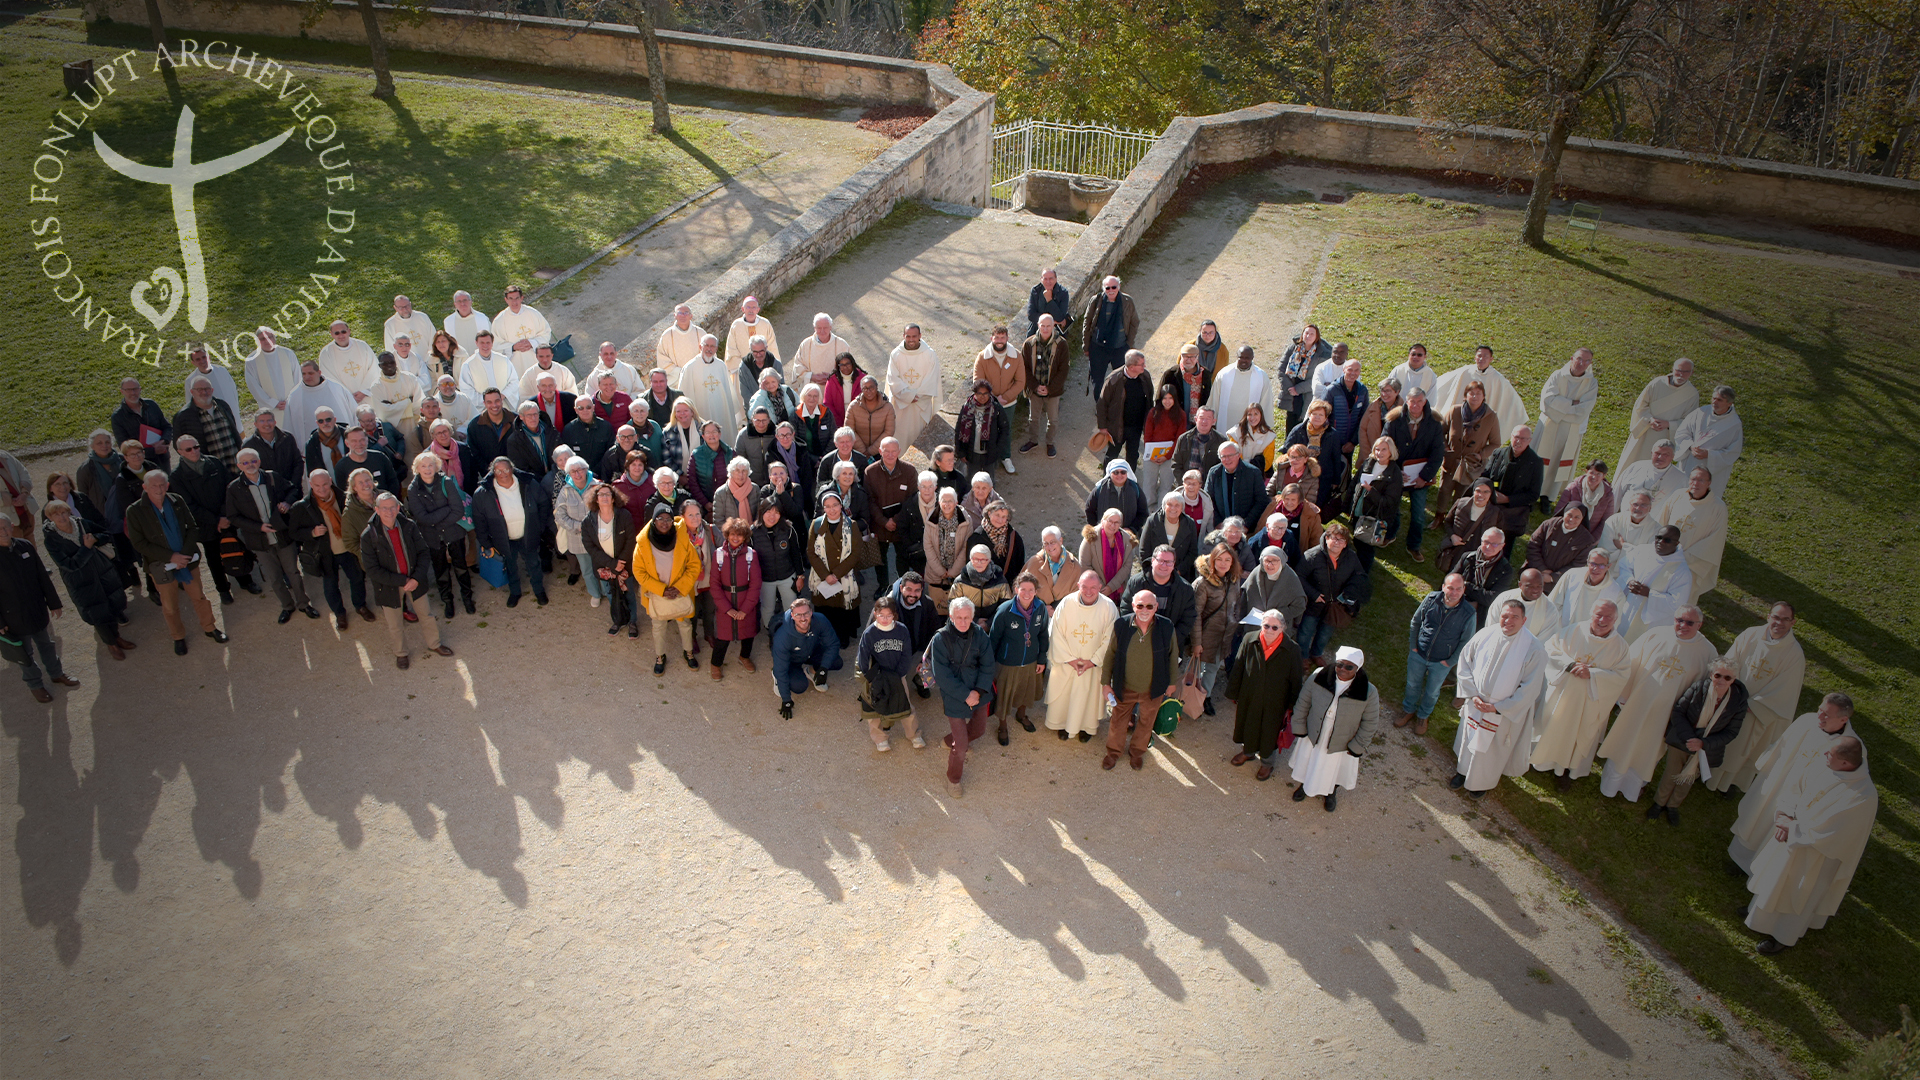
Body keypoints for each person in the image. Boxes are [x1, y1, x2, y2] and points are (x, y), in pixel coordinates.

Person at [1740, 735, 1875, 954]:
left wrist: (1790, 827)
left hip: (1817, 855)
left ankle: (1783, 936)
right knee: (1776, 878)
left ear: (1845, 763)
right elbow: (1799, 787)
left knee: (1799, 893)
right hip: (1792, 836)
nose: (1824, 755)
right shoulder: (1828, 766)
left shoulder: (1863, 797)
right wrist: (1785, 813)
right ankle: (1758, 915)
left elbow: (1834, 833)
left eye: (1830, 754)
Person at [1594, 605, 1720, 801]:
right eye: (1679, 620)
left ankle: (1632, 788)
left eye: (1689, 622)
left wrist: (1686, 719)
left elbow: (1704, 690)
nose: (1682, 625)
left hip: (1667, 714)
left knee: (1648, 751)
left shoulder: (1707, 652)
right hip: (1637, 704)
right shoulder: (1656, 635)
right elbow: (1632, 663)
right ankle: (1610, 785)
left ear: (1700, 625)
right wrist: (1624, 697)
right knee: (1625, 742)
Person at [1729, 693, 1862, 871]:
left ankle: (1761, 870)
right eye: (1820, 710)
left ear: (1843, 719)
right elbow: (1781, 746)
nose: (1819, 717)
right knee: (1758, 819)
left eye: (1826, 715)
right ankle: (1739, 858)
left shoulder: (1848, 747)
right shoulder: (1807, 720)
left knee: (1778, 833)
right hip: (1780, 781)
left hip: (1803, 799)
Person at [123, 470, 228, 655]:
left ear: (168, 486)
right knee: (170, 605)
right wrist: (171, 557)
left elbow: (193, 527)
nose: (159, 489)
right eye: (154, 485)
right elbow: (139, 543)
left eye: (162, 484)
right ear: (145, 487)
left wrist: (183, 556)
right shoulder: (135, 510)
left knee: (199, 597)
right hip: (161, 566)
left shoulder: (176, 501)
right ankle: (178, 636)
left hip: (188, 560)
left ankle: (210, 627)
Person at [1709, 602, 1809, 795]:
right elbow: (1730, 661)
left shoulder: (1794, 654)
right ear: (1768, 616)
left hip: (1754, 710)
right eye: (1776, 617)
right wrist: (1726, 689)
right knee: (1717, 737)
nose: (1779, 623)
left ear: (1793, 622)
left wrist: (1752, 705)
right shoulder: (1750, 635)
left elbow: (1785, 689)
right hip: (1731, 699)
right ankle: (1704, 772)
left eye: (1785, 619)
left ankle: (1728, 783)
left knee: (1740, 748)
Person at [1530, 600, 1630, 790]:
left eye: (1608, 616)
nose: (1602, 620)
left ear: (1616, 619)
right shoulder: (1573, 631)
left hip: (1589, 703)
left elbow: (1621, 676)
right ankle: (1541, 760)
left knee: (1577, 733)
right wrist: (1570, 665)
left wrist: (1592, 674)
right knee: (1554, 725)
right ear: (1591, 614)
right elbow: (1551, 649)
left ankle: (1565, 770)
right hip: (1562, 695)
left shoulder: (1620, 647)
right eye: (1598, 614)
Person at [1642, 660, 1750, 825]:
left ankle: (1673, 806)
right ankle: (1659, 803)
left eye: (1727, 677)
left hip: (1706, 748)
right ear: (1711, 675)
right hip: (1683, 740)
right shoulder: (1699, 688)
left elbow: (1731, 732)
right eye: (1717, 675)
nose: (1721, 681)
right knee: (1672, 772)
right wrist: (1689, 738)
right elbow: (1679, 711)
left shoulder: (1738, 701)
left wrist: (1703, 744)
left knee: (1688, 778)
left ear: (1733, 679)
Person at [358, 492, 454, 670]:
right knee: (395, 624)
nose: (389, 511)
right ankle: (401, 654)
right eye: (384, 508)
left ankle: (435, 644)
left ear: (398, 508)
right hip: (389, 586)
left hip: (414, 582)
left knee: (426, 615)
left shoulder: (409, 525)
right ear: (376, 510)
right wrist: (403, 581)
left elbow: (424, 553)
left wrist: (416, 578)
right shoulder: (368, 535)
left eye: (393, 507)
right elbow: (372, 570)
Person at [227, 447, 317, 622]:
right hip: (259, 541)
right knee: (275, 578)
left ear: (259, 462)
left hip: (283, 536)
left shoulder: (272, 477)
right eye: (245, 462)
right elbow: (233, 516)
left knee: (293, 573)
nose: (250, 465)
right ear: (239, 466)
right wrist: (258, 527)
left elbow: (293, 490)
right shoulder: (234, 488)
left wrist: (287, 502)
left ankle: (304, 604)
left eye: (253, 461)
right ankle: (287, 606)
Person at [1288, 646, 1380, 812]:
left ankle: (1331, 793)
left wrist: (1358, 745)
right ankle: (1304, 785)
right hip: (1316, 731)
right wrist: (1299, 726)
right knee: (1309, 760)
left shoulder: (1369, 691)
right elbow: (1303, 703)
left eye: (1349, 666)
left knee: (1335, 768)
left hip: (1342, 739)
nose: (1342, 669)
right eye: (1339, 664)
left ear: (1357, 668)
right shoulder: (1318, 676)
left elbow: (1370, 722)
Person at [40, 499, 135, 659]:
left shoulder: (81, 523)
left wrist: (95, 539)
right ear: (50, 518)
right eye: (56, 514)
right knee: (97, 613)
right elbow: (69, 565)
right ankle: (111, 644)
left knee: (112, 605)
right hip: (81, 581)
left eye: (63, 512)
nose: (62, 517)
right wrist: (87, 547)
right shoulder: (51, 539)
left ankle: (117, 637)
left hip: (102, 571)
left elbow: (106, 534)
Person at [0, 515, 78, 701]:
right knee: (24, 654)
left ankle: (56, 673)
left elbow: (42, 575)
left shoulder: (24, 546)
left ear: (12, 526)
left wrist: (54, 603)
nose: (3, 533)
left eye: (6, 527)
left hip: (35, 609)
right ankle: (35, 685)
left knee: (46, 644)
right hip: (13, 618)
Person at [1225, 604, 1304, 781]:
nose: (1269, 630)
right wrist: (1234, 692)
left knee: (1270, 732)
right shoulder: (1249, 639)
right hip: (1250, 694)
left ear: (1282, 628)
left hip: (1275, 701)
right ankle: (1248, 752)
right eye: (1266, 625)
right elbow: (1238, 667)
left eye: (1274, 627)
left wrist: (1292, 706)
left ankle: (1267, 763)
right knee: (1248, 724)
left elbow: (1296, 680)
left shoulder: (1292, 649)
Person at [1395, 573, 1477, 736]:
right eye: (1451, 588)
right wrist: (1413, 647)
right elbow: (1416, 622)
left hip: (1442, 661)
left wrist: (1450, 662)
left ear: (1463, 590)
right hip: (1419, 654)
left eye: (1458, 589)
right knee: (1412, 684)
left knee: (1432, 691)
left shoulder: (1468, 613)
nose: (1454, 593)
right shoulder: (1431, 599)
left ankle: (1423, 716)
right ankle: (1408, 710)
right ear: (1443, 587)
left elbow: (1466, 642)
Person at [1102, 589, 1175, 772]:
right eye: (1140, 605)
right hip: (1124, 686)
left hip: (1153, 687)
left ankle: (1137, 753)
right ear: (1133, 606)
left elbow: (1173, 656)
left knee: (1146, 722)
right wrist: (1105, 683)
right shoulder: (1121, 625)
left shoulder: (1166, 627)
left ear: (1156, 607)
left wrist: (1172, 682)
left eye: (1149, 606)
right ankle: (1113, 753)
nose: (1144, 610)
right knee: (1118, 721)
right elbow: (1110, 655)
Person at [169, 433, 245, 604]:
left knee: (236, 548)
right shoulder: (176, 476)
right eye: (189, 449)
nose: (194, 451)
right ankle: (223, 589)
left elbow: (229, 488)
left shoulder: (214, 462)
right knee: (214, 559)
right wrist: (216, 520)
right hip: (205, 525)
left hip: (225, 517)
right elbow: (188, 505)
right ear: (180, 452)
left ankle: (244, 580)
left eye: (196, 446)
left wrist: (225, 515)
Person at [287, 470, 363, 629]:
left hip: (347, 549)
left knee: (357, 578)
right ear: (310, 484)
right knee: (330, 586)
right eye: (316, 486)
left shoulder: (344, 498)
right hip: (325, 554)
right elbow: (293, 532)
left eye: (324, 484)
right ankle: (340, 614)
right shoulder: (302, 507)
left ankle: (360, 606)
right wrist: (311, 533)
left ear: (330, 481)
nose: (322, 489)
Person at [406, 450, 476, 620]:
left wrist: (435, 522)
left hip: (453, 533)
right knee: (440, 570)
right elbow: (421, 517)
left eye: (431, 465)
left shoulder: (447, 482)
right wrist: (445, 511)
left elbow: (458, 510)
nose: (428, 468)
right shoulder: (413, 489)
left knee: (460, 566)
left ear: (436, 466)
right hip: (432, 537)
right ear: (417, 468)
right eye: (423, 465)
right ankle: (448, 601)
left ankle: (467, 598)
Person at [472, 457, 550, 608]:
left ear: (512, 469)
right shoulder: (483, 492)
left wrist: (539, 527)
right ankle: (515, 592)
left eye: (506, 469)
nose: (503, 473)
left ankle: (539, 591)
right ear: (493, 472)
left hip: (527, 534)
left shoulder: (528, 483)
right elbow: (479, 520)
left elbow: (543, 503)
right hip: (503, 539)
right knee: (510, 566)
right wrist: (486, 542)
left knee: (534, 564)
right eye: (498, 470)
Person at [633, 504, 700, 673]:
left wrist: (679, 587)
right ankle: (660, 656)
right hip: (656, 593)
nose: (664, 523)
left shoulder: (682, 539)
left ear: (672, 521)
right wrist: (661, 589)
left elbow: (694, 565)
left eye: (668, 519)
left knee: (685, 624)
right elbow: (638, 571)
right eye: (660, 519)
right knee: (658, 626)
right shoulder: (643, 542)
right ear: (654, 521)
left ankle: (689, 652)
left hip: (679, 591)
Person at [1384, 388, 1445, 561]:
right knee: (1393, 508)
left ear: (1425, 402)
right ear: (1407, 401)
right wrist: (1395, 472)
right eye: (1412, 401)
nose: (1416, 405)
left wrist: (1424, 477)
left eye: (1419, 401)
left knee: (1418, 515)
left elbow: (1437, 453)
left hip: (1420, 477)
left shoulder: (1434, 423)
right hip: (1398, 473)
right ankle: (1390, 534)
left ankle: (1414, 545)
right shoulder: (1394, 420)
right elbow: (1385, 446)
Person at [988, 572, 1049, 743]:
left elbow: (1043, 635)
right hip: (1007, 662)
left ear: (1036, 591)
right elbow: (994, 638)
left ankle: (1021, 716)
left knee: (1026, 690)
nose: (1027, 593)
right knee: (1005, 695)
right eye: (1023, 589)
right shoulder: (1005, 610)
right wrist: (990, 665)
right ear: (1016, 590)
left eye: (1031, 590)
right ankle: (1003, 725)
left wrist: (1042, 659)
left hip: (1031, 660)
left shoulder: (1041, 608)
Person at [1296, 524, 1368, 667]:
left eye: (1341, 540)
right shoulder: (1312, 555)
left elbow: (1359, 575)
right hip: (1314, 604)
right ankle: (1302, 656)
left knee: (1325, 634)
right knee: (1305, 632)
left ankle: (1316, 654)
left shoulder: (1351, 557)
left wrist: (1349, 593)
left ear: (1345, 544)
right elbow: (1298, 576)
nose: (1337, 542)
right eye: (1334, 538)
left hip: (1336, 606)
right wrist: (1314, 594)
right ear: (1326, 538)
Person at [1653, 466, 1727, 602]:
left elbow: (1714, 541)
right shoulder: (1678, 495)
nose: (1696, 483)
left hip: (1689, 564)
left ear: (1709, 483)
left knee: (1680, 601)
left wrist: (1683, 557)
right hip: (1665, 557)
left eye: (1701, 480)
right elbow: (1661, 522)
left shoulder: (1718, 507)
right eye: (1693, 479)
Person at [855, 596, 920, 750]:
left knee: (906, 706)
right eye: (881, 615)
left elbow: (906, 654)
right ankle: (880, 739)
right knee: (874, 711)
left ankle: (914, 735)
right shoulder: (869, 633)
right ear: (875, 614)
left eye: (888, 615)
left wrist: (898, 675)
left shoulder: (902, 630)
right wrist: (871, 677)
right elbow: (863, 657)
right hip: (877, 678)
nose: (885, 619)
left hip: (897, 676)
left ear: (894, 615)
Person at [1534, 348, 1599, 498]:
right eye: (1579, 359)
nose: (1582, 363)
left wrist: (1561, 407)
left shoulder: (1591, 383)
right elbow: (1547, 400)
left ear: (1591, 363)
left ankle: (1548, 496)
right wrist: (1572, 403)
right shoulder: (1558, 375)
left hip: (1570, 429)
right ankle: (1532, 491)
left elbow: (1584, 409)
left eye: (1587, 361)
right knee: (1540, 458)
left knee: (1558, 461)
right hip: (1549, 424)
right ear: (1572, 358)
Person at [1618, 358, 1698, 475]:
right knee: (1631, 464)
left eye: (1686, 372)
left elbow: (1689, 422)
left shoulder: (1692, 394)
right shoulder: (1657, 383)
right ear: (1673, 369)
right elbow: (1640, 405)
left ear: (1692, 373)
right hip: (1645, 430)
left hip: (1665, 435)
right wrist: (1650, 419)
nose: (1681, 374)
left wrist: (1669, 424)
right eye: (1678, 370)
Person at [1190, 542, 1245, 715]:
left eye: (1227, 560)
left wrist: (1234, 622)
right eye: (1219, 559)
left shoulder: (1234, 581)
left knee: (1213, 667)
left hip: (1224, 635)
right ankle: (1189, 697)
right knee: (1196, 668)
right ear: (1212, 560)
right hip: (1205, 634)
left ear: (1232, 563)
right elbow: (1195, 615)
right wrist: (1196, 642)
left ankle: (1206, 697)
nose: (1223, 563)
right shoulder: (1202, 583)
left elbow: (1236, 604)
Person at [1430, 344, 1528, 439]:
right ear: (1475, 357)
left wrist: (1518, 413)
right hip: (1462, 415)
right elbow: (1446, 381)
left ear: (1491, 359)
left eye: (1485, 356)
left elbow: (1508, 396)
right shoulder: (1466, 371)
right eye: (1479, 356)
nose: (1482, 359)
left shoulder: (1496, 379)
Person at [1434, 379, 1502, 515]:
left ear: (1484, 396)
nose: (1475, 397)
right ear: (1465, 396)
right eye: (1471, 393)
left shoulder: (1491, 417)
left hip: (1471, 464)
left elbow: (1496, 443)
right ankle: (1439, 516)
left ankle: (1454, 518)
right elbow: (1439, 432)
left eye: (1478, 393)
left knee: (1463, 493)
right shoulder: (1455, 411)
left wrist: (1480, 455)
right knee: (1444, 489)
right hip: (1452, 460)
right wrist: (1445, 447)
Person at [1611, 526, 1692, 642]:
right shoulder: (1643, 550)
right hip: (1627, 606)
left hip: (1650, 620)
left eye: (1667, 540)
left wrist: (1649, 593)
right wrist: (1630, 580)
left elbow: (1677, 602)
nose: (1661, 542)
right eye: (1658, 538)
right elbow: (1625, 566)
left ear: (1677, 543)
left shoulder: (1681, 571)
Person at [770, 596, 843, 718]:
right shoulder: (782, 637)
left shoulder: (820, 620)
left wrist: (823, 669)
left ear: (811, 613)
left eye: (806, 613)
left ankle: (812, 671)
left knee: (835, 662)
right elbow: (781, 668)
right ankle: (775, 676)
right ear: (792, 616)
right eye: (798, 615)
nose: (803, 618)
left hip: (810, 651)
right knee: (799, 686)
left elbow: (833, 644)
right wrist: (786, 700)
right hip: (791, 661)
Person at [805, 491, 863, 644]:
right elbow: (811, 552)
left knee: (842, 610)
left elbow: (856, 553)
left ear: (841, 505)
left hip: (843, 576)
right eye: (827, 506)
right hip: (822, 577)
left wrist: (836, 574)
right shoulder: (816, 524)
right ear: (823, 508)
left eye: (835, 505)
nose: (832, 510)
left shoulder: (852, 525)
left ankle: (842, 638)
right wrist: (826, 575)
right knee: (825, 610)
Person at [1672, 384, 1743, 498]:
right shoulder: (1701, 412)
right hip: (1690, 461)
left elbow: (1732, 452)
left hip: (1711, 468)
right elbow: (1682, 432)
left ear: (1729, 403)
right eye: (1714, 398)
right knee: (1682, 493)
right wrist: (1690, 445)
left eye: (1719, 400)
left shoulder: (1734, 424)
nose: (1715, 402)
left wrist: (1709, 454)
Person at [973, 327, 1025, 474]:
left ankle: (1005, 457)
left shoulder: (1017, 356)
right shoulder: (982, 357)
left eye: (1002, 337)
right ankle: (989, 460)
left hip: (1008, 403)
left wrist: (1005, 398)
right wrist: (992, 399)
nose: (999, 341)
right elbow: (978, 381)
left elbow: (1020, 381)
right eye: (996, 337)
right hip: (987, 403)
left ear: (1007, 338)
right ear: (991, 339)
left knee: (1005, 431)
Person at [1019, 313, 1070, 456]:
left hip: (1053, 391)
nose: (1046, 329)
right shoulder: (1029, 344)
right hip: (1035, 390)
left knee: (1053, 420)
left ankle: (1050, 443)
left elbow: (1063, 370)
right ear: (1038, 325)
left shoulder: (1062, 344)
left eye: (1049, 326)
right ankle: (1033, 440)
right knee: (1033, 418)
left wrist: (1050, 388)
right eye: (1043, 325)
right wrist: (1035, 386)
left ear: (1054, 325)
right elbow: (1024, 368)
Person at [1348, 436, 1403, 571]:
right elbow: (1354, 483)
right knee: (1357, 542)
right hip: (1358, 511)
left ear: (1391, 451)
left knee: (1366, 549)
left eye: (1384, 449)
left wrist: (1371, 491)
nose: (1380, 452)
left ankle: (1363, 576)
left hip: (1373, 518)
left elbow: (1390, 502)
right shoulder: (1368, 462)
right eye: (1377, 449)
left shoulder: (1394, 473)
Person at [1283, 399, 1345, 510]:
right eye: (1314, 414)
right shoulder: (1298, 430)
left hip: (1323, 477)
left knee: (1315, 507)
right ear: (1309, 414)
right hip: (1300, 475)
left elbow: (1336, 458)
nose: (1317, 417)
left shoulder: (1333, 434)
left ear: (1326, 417)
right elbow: (1286, 451)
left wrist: (1336, 480)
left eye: (1321, 415)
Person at [1094, 349, 1154, 466]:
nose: (1144, 366)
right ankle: (1107, 481)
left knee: (1132, 456)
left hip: (1136, 427)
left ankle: (1131, 482)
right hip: (1117, 427)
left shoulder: (1145, 376)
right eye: (1141, 364)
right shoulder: (1114, 379)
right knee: (1112, 455)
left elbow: (1149, 399)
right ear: (1131, 367)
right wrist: (1102, 427)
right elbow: (1102, 404)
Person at [1548, 548, 1626, 636]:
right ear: (1587, 562)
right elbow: (1553, 603)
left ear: (1608, 566)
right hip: (1562, 632)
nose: (1595, 568)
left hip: (1591, 639)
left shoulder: (1616, 593)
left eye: (1601, 565)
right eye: (1592, 564)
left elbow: (1613, 624)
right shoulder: (1572, 576)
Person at [172, 374, 243, 470]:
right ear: (192, 392)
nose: (204, 392)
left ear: (212, 390)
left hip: (234, 465)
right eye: (199, 390)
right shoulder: (183, 416)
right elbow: (179, 446)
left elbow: (234, 431)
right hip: (210, 470)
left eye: (207, 389)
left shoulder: (223, 406)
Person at [751, 502, 806, 622]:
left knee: (791, 607)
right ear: (761, 512)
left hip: (787, 575)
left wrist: (800, 576)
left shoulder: (788, 529)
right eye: (769, 511)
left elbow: (796, 554)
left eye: (776, 512)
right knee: (767, 608)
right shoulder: (753, 532)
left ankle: (791, 631)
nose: (772, 516)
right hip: (765, 579)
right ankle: (771, 632)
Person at [1081, 275, 1137, 392]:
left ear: (1119, 286)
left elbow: (1134, 322)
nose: (1111, 290)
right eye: (1107, 288)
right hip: (1098, 347)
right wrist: (1086, 346)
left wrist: (1128, 345)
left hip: (1120, 347)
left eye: (1113, 287)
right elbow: (1087, 323)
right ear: (1103, 289)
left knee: (1121, 380)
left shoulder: (1127, 301)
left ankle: (1117, 406)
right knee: (1097, 381)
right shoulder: (1096, 301)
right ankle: (1100, 407)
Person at [1522, 502, 1595, 588]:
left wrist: (1553, 577)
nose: (1572, 519)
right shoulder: (1548, 525)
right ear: (1564, 513)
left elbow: (1578, 565)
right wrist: (1542, 569)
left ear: (1582, 519)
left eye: (1577, 517)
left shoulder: (1586, 540)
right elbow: (1533, 546)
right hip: (1534, 573)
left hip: (1559, 584)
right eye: (1569, 515)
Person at [1211, 345, 1271, 444]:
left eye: (1247, 358)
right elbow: (1214, 399)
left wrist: (1264, 425)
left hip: (1250, 423)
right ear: (1237, 357)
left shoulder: (1261, 376)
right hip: (1225, 422)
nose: (1244, 360)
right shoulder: (1224, 374)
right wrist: (1212, 420)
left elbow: (1266, 402)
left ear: (1252, 358)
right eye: (1241, 357)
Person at [112, 377, 175, 470]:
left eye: (135, 389)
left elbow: (167, 427)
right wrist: (153, 451)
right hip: (140, 465)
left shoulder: (151, 405)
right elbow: (124, 446)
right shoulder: (117, 417)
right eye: (128, 390)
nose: (133, 393)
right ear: (122, 391)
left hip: (162, 459)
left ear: (140, 389)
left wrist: (164, 441)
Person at [244, 326, 301, 429]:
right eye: (262, 338)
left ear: (274, 337)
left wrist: (292, 400)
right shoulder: (252, 360)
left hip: (291, 405)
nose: (267, 340)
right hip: (270, 407)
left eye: (270, 337)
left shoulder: (288, 354)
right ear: (257, 341)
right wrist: (273, 403)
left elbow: (297, 377)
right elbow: (253, 386)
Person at [1277, 324, 1331, 431]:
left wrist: (1298, 389)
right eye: (1306, 333)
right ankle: (1289, 445)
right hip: (1291, 392)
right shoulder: (1293, 348)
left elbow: (1320, 378)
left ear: (1317, 337)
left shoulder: (1323, 354)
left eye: (1312, 334)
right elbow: (1282, 369)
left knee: (1303, 422)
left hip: (1307, 393)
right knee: (1290, 419)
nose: (1308, 336)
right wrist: (1289, 388)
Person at [1319, 358, 1370, 470]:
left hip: (1350, 442)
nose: (1353, 373)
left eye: (1356, 370)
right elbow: (1322, 415)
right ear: (1344, 370)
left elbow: (1364, 418)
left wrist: (1353, 442)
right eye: (1350, 369)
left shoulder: (1362, 390)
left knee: (1345, 470)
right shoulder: (1331, 390)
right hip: (1331, 441)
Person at [1077, 508, 1137, 604]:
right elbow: (1085, 565)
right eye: (1110, 521)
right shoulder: (1090, 538)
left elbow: (1127, 566)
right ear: (1102, 521)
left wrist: (1111, 587)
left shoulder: (1127, 540)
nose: (1113, 525)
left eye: (1116, 522)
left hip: (1118, 590)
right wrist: (1100, 586)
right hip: (1096, 590)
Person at [1436, 478, 1496, 573]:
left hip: (1475, 553)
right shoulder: (1460, 503)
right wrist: (1452, 536)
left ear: (1491, 494)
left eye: (1486, 492)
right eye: (1478, 490)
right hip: (1456, 549)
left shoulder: (1495, 513)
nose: (1481, 495)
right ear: (1473, 490)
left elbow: (1496, 536)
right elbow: (1447, 522)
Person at [1140, 388, 1191, 501]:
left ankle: (1162, 510)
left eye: (1170, 398)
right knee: (1149, 484)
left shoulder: (1181, 415)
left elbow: (1179, 438)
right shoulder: (1153, 412)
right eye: (1164, 398)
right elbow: (1147, 435)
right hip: (1152, 454)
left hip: (1170, 455)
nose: (1167, 401)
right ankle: (1148, 510)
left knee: (1166, 485)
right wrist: (1151, 454)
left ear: (1175, 399)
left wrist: (1167, 456)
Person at [1138, 491, 1200, 582]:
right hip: (1154, 574)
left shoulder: (1189, 523)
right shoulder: (1152, 521)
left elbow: (1192, 552)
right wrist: (1154, 570)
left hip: (1180, 576)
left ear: (1182, 507)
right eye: (1169, 504)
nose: (1173, 508)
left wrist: (1178, 571)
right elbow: (1144, 550)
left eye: (1177, 505)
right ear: (1164, 506)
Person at [1205, 440, 1266, 531]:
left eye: (1230, 455)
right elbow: (1208, 500)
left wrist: (1246, 524)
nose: (1227, 459)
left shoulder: (1253, 472)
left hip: (1247, 529)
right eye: (1223, 456)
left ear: (1238, 455)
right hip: (1221, 528)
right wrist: (1217, 523)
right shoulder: (1214, 473)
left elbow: (1261, 501)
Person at [953, 379, 1007, 479]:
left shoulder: (996, 408)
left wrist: (997, 450)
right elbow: (959, 429)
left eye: (985, 393)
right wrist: (960, 452)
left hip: (989, 453)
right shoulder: (966, 408)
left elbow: (1004, 430)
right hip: (971, 454)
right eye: (979, 393)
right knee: (971, 481)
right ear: (975, 394)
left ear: (990, 394)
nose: (982, 396)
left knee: (989, 482)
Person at [492, 284, 551, 374]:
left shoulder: (533, 313)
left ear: (521, 298)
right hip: (515, 363)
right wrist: (513, 347)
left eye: (517, 298)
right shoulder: (499, 321)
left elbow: (545, 332)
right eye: (511, 298)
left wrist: (532, 343)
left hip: (535, 358)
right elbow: (495, 344)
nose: (514, 302)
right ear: (506, 300)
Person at [1616, 438, 1687, 509]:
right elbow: (1617, 492)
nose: (1660, 457)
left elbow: (1683, 505)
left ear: (1673, 456)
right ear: (1651, 453)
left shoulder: (1681, 478)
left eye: (1666, 454)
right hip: (1626, 517)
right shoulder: (1636, 467)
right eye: (1657, 453)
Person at [1084, 459, 1149, 534]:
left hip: (1127, 535)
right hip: (1104, 535)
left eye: (1123, 472)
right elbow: (1089, 509)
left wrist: (1132, 529)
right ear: (1110, 473)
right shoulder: (1100, 488)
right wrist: (1097, 528)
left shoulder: (1135, 489)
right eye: (1116, 472)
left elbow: (1143, 513)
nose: (1119, 475)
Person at [1172, 406, 1228, 490]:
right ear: (1195, 419)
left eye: (1208, 418)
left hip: (1210, 487)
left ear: (1214, 421)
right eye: (1201, 418)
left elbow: (1224, 465)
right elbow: (1176, 464)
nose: (1204, 421)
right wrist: (1184, 483)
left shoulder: (1221, 440)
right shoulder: (1184, 438)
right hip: (1185, 486)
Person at [1554, 460, 1615, 532]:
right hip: (1567, 531)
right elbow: (1559, 512)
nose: (1594, 476)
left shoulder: (1608, 495)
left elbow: (1606, 521)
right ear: (1586, 471)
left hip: (1589, 536)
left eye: (1598, 474)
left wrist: (1592, 540)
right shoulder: (1573, 488)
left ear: (1604, 476)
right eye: (1592, 472)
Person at [723, 296, 780, 368]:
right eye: (748, 307)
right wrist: (744, 365)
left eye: (754, 307)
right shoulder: (736, 325)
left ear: (758, 310)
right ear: (743, 309)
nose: (751, 310)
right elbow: (731, 349)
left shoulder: (765, 324)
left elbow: (772, 347)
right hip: (742, 368)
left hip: (764, 367)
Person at [846, 377, 895, 459]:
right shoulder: (853, 406)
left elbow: (889, 431)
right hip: (857, 452)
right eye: (865, 388)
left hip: (881, 452)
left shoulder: (888, 407)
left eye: (871, 388)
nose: (868, 391)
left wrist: (871, 451)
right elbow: (849, 430)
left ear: (877, 387)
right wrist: (863, 451)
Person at [442, 290, 492, 357]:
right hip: (459, 360)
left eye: (465, 300)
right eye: (459, 301)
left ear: (471, 301)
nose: (462, 304)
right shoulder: (448, 321)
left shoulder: (482, 318)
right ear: (455, 304)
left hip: (481, 358)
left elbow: (491, 339)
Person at [1026, 266, 1072, 336]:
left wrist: (1049, 300)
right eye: (1045, 279)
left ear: (1056, 279)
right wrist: (1051, 321)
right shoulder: (1036, 290)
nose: (1048, 282)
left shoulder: (1063, 293)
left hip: (1055, 333)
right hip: (1036, 331)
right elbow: (1031, 315)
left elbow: (1060, 318)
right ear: (1041, 279)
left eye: (1051, 279)